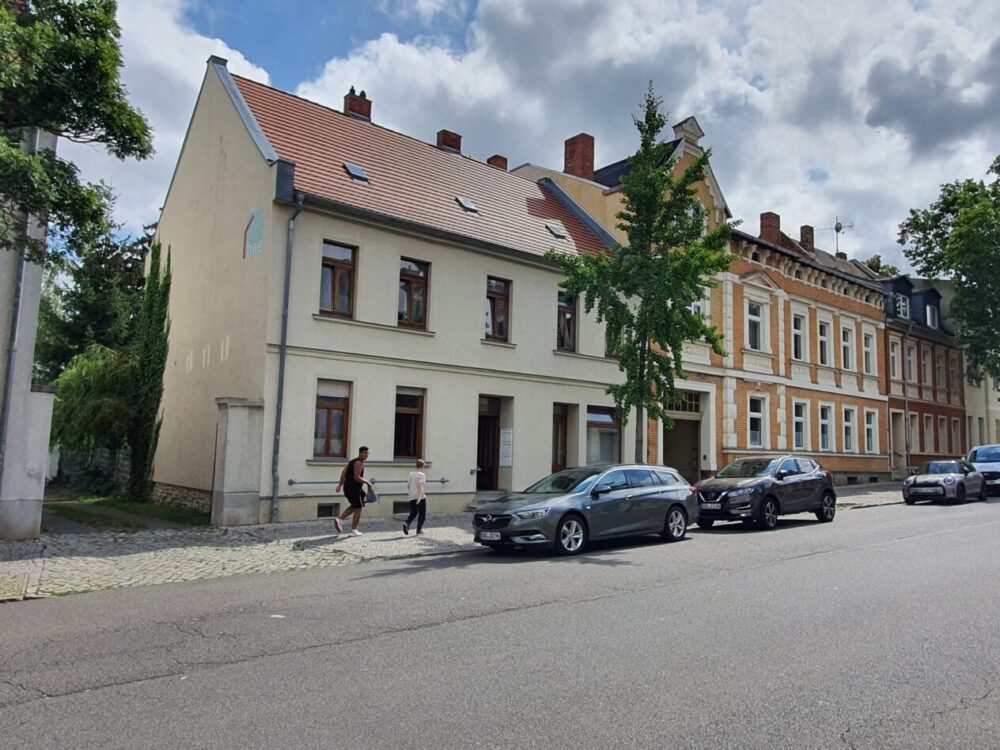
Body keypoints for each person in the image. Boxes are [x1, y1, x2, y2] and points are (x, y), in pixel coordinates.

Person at [335, 446, 372, 536]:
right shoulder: (358, 463)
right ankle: (353, 529)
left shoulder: (352, 462)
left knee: (355, 506)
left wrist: (340, 485)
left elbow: (343, 472)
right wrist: (367, 482)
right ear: (360, 453)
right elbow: (357, 477)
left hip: (349, 488)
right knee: (358, 508)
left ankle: (340, 520)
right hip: (354, 488)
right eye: (365, 453)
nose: (366, 455)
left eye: (368, 453)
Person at [403, 459, 427, 535]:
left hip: (411, 496)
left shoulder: (411, 474)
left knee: (413, 513)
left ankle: (407, 523)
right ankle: (418, 530)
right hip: (420, 497)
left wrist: (412, 493)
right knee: (422, 514)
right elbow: (420, 486)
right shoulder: (422, 475)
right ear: (423, 466)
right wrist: (419, 497)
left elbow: (408, 485)